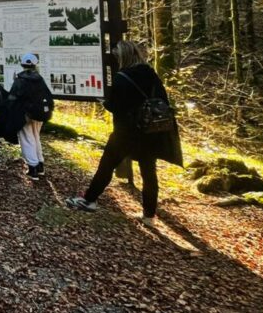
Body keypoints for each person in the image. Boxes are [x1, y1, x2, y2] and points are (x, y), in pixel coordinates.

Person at [66, 41, 182, 225]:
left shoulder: (122, 77)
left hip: (126, 133)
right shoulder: (151, 74)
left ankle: (89, 200)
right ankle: (149, 215)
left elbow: (116, 106)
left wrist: (104, 101)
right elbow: (162, 99)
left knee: (106, 166)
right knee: (149, 173)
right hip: (151, 130)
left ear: (123, 57)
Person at [6, 53, 53, 181]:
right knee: (35, 137)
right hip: (39, 114)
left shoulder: (20, 79)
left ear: (22, 64)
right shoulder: (40, 79)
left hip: (25, 114)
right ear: (35, 64)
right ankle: (40, 165)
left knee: (27, 139)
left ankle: (32, 168)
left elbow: (13, 98)